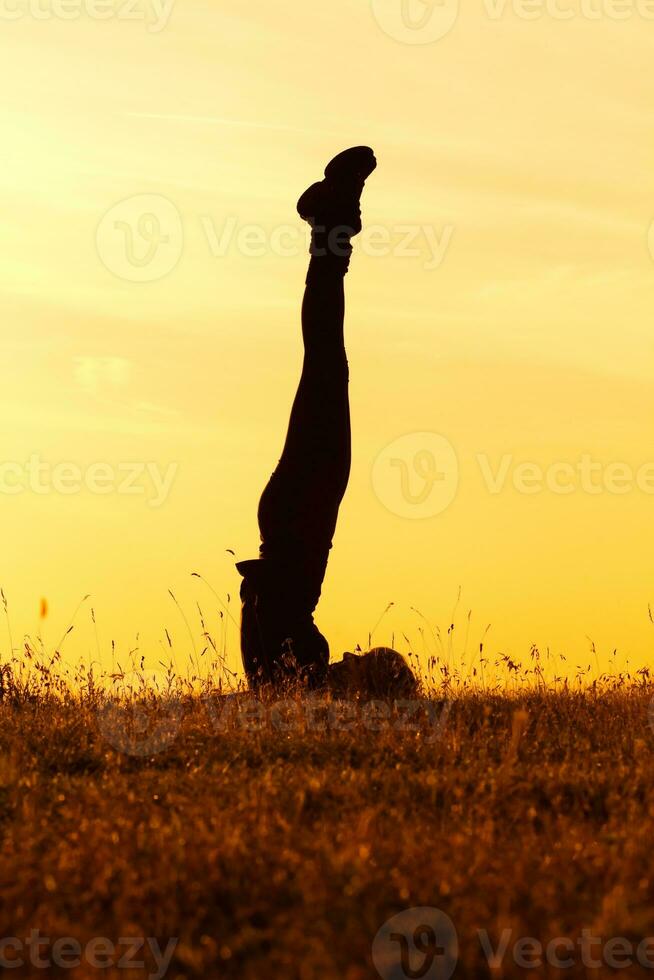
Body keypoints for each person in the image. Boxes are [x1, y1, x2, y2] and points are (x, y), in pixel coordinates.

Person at [236, 147, 417, 697]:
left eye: (369, 661)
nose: (356, 652)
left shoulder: (302, 682)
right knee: (324, 365)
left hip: (300, 516)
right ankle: (330, 227)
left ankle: (330, 228)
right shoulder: (296, 676)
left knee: (325, 365)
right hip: (289, 519)